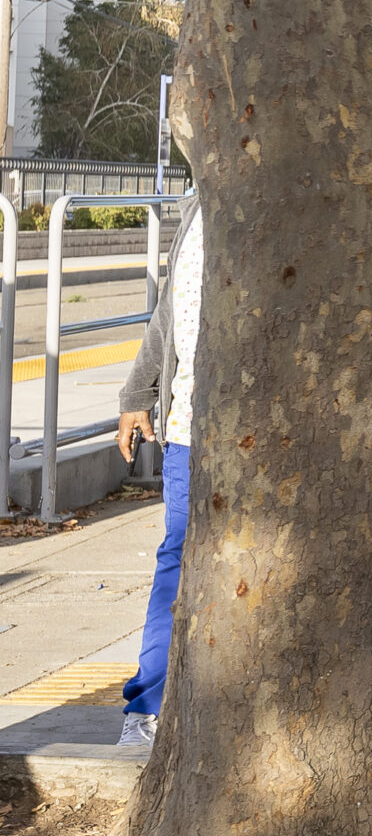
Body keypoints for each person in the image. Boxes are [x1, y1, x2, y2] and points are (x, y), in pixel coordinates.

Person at [113, 195, 203, 746]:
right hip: (190, 428)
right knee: (177, 555)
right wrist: (138, 391)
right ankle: (146, 710)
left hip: (269, 439)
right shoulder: (195, 208)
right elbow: (169, 309)